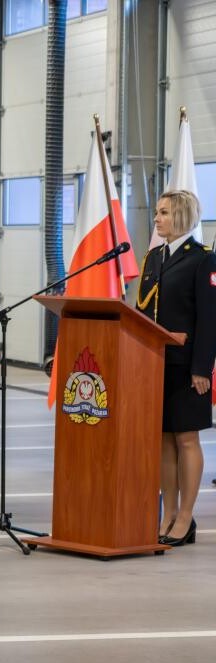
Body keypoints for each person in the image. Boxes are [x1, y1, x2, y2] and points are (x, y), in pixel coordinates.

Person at [134, 190, 216, 547]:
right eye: (156, 212)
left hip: (188, 368)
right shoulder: (154, 257)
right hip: (156, 363)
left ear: (181, 216)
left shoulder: (202, 260)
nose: (157, 219)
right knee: (164, 441)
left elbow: (210, 319)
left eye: (164, 213)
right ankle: (167, 513)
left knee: (186, 439)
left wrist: (202, 368)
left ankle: (186, 517)